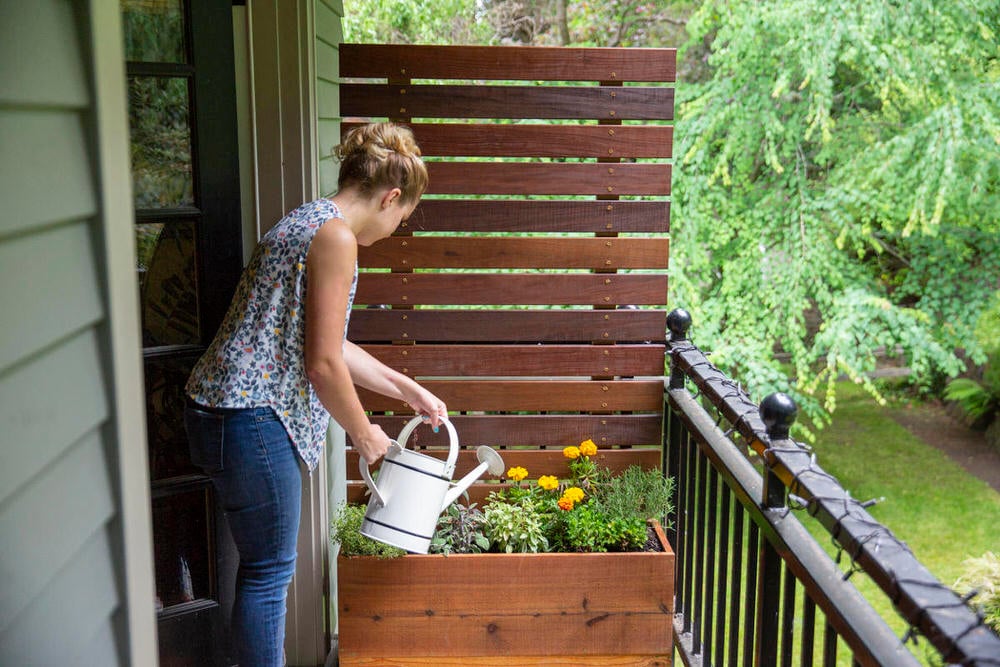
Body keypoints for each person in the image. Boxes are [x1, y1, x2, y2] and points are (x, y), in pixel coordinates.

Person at [183, 122, 446, 667]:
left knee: (258, 568)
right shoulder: (336, 238)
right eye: (403, 215)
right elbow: (322, 363)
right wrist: (366, 434)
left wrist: (406, 389)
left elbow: (327, 342)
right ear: (390, 196)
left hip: (220, 410)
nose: (398, 227)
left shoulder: (307, 220)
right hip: (254, 417)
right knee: (268, 574)